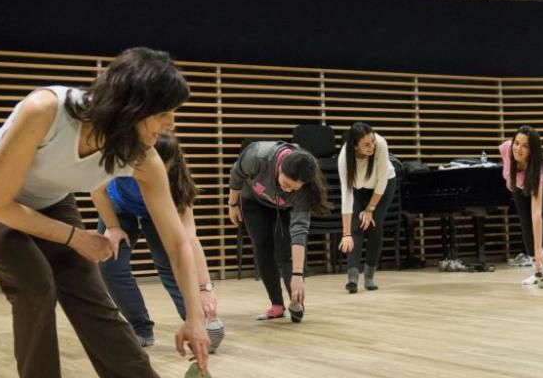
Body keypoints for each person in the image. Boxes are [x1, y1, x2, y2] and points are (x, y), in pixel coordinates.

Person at [0, 47, 212, 378]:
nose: (170, 123)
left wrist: (195, 316)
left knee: (89, 293)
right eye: (162, 112)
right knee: (35, 283)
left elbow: (178, 242)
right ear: (132, 106)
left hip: (49, 199)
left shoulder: (143, 156)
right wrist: (75, 237)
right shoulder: (46, 110)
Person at [94, 131, 224, 352]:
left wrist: (205, 289)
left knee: (171, 266)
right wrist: (113, 228)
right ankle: (140, 328)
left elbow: (189, 239)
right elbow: (97, 190)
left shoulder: (177, 184)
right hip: (119, 207)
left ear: (171, 164)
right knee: (110, 265)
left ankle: (197, 323)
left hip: (157, 210)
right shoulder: (119, 156)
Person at [227, 141, 331, 322]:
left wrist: (298, 275)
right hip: (253, 201)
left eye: (293, 188)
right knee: (262, 246)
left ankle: (296, 299)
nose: (288, 190)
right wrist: (233, 205)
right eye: (286, 184)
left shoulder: (303, 191)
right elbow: (237, 175)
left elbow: (299, 231)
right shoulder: (257, 157)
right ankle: (276, 304)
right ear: (280, 168)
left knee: (285, 251)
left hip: (282, 209)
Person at [337, 122, 397, 293]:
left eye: (372, 141)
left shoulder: (381, 144)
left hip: (383, 187)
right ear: (355, 145)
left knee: (373, 224)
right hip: (359, 189)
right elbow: (346, 195)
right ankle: (352, 278)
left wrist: (370, 209)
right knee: (356, 228)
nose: (371, 146)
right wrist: (346, 233)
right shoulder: (344, 157)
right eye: (366, 144)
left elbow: (382, 182)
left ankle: (369, 276)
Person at [499, 125, 543, 288]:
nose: (518, 149)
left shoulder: (537, 171)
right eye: (517, 143)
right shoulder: (506, 148)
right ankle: (535, 267)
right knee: (525, 224)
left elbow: (536, 214)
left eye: (525, 146)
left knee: (540, 224)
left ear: (532, 150)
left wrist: (539, 248)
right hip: (519, 186)